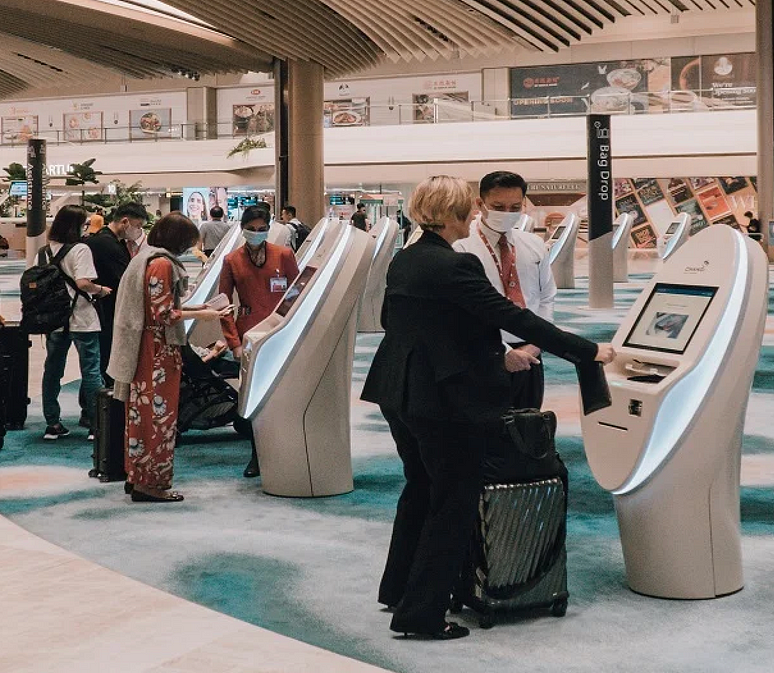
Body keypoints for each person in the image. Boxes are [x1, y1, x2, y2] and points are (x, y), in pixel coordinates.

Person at [361, 176, 614, 640]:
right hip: (443, 402)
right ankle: (421, 613)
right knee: (453, 502)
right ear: (458, 214)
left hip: (399, 392)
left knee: (420, 488)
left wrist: (484, 354)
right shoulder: (455, 267)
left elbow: (405, 326)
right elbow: (511, 317)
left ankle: (399, 588)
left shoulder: (406, 261)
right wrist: (585, 350)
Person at [107, 212, 231, 503]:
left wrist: (197, 306)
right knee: (159, 419)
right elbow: (164, 314)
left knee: (140, 416)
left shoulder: (146, 258)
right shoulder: (162, 264)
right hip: (158, 351)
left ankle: (138, 476)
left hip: (144, 348)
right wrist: (203, 313)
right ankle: (153, 482)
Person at [454, 171, 555, 409]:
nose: (507, 214)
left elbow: (546, 297)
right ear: (480, 204)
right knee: (486, 430)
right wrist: (504, 352)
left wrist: (537, 343)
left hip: (531, 352)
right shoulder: (460, 247)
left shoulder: (533, 245)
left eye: (515, 207)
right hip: (483, 352)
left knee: (528, 426)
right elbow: (460, 311)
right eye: (498, 206)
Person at [218, 205, 300, 478]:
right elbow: (223, 304)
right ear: (242, 229)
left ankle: (285, 451)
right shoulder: (232, 260)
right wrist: (234, 343)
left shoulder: (284, 255)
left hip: (280, 333)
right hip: (249, 335)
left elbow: (297, 294)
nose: (256, 233)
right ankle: (257, 454)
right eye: (251, 229)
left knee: (283, 395)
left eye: (261, 229)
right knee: (255, 398)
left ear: (269, 228)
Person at [38, 205, 112, 441]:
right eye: (84, 224)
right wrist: (100, 290)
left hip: (54, 320)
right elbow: (83, 282)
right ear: (76, 225)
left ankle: (52, 423)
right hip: (82, 318)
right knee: (91, 371)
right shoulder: (81, 249)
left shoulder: (44, 251)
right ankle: (96, 424)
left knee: (52, 371)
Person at [86, 202, 147, 390]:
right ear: (125, 221)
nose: (138, 231)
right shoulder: (107, 244)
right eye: (138, 226)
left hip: (107, 308)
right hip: (106, 309)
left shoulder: (110, 241)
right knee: (104, 358)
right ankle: (96, 408)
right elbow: (124, 279)